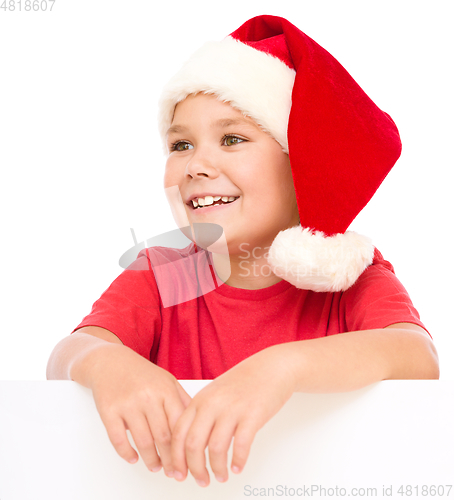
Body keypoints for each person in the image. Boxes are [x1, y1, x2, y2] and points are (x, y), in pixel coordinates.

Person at [46, 15, 439, 488]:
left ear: (301, 164)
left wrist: (282, 368)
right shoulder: (167, 271)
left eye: (232, 138)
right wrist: (107, 364)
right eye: (180, 144)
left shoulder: (350, 276)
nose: (196, 164)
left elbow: (418, 357)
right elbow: (69, 353)